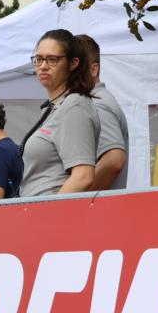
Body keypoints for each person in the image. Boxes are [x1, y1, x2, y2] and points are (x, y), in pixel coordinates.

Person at [19, 29, 100, 197]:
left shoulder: (74, 105)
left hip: (51, 215)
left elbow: (83, 176)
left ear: (73, 63)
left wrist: (48, 213)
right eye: (39, 59)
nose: (43, 66)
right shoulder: (58, 105)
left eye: (52, 59)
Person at [74, 34, 130, 191]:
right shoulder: (94, 101)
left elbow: (113, 160)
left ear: (94, 69)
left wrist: (73, 201)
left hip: (93, 212)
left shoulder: (95, 104)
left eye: (75, 67)